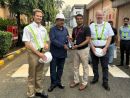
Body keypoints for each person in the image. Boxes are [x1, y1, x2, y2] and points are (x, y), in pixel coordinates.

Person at [22, 9, 49, 98]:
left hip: (42, 53)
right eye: (37, 16)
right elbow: (27, 44)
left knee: (39, 74)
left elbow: (46, 41)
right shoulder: (28, 28)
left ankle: (38, 91)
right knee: (32, 75)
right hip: (33, 54)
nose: (39, 18)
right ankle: (31, 93)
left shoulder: (43, 29)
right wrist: (39, 53)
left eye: (41, 16)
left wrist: (46, 45)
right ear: (33, 16)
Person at [89, 10, 114, 91]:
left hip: (104, 48)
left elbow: (110, 37)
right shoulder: (92, 25)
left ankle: (105, 82)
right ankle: (96, 78)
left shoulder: (107, 25)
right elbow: (88, 38)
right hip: (94, 47)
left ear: (103, 16)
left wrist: (106, 47)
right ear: (95, 16)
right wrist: (92, 47)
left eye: (101, 15)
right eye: (98, 15)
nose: (99, 17)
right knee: (94, 65)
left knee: (105, 66)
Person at [48, 13, 69, 92]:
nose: (62, 22)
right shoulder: (52, 29)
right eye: (60, 20)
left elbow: (67, 39)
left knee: (60, 69)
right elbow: (53, 40)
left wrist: (68, 44)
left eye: (63, 20)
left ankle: (58, 82)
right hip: (54, 54)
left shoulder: (65, 29)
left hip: (63, 54)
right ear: (56, 21)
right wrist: (63, 45)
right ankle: (53, 83)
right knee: (53, 69)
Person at [69, 14, 91, 91]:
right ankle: (76, 81)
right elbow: (73, 39)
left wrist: (78, 45)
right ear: (76, 20)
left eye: (80, 19)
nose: (79, 20)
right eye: (77, 19)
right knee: (75, 66)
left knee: (85, 67)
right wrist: (70, 39)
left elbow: (88, 39)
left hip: (84, 50)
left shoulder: (86, 28)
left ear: (83, 19)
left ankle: (84, 83)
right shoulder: (74, 29)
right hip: (76, 50)